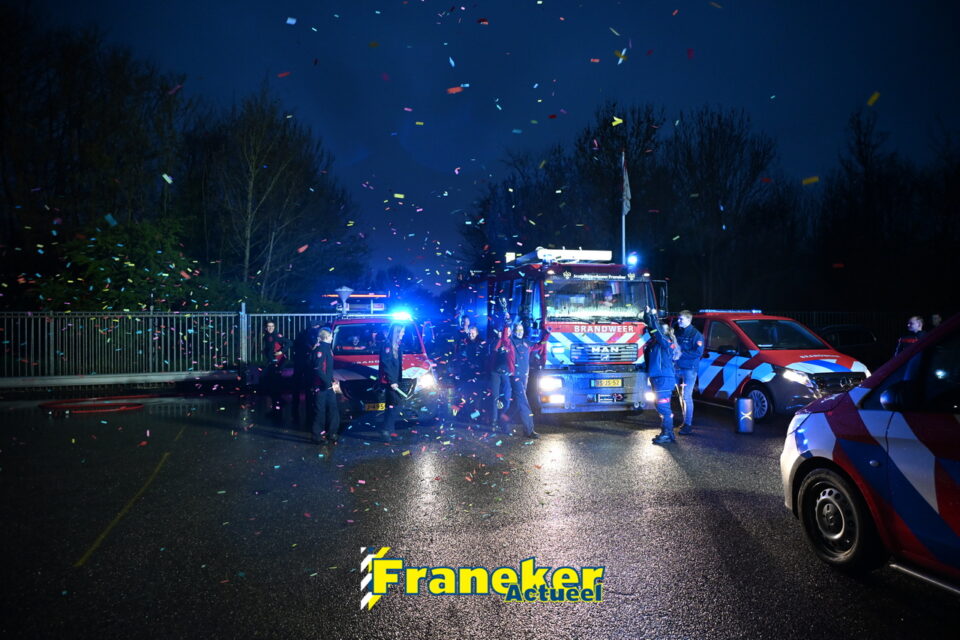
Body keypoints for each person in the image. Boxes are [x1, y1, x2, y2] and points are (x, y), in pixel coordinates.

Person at [644, 307, 681, 445]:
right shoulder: (658, 342)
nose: (658, 329)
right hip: (659, 378)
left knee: (663, 407)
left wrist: (653, 315)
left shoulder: (666, 342)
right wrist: (647, 316)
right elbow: (653, 330)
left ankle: (667, 434)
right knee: (660, 406)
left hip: (663, 379)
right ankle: (668, 433)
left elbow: (656, 330)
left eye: (661, 328)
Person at [673, 310, 704, 435]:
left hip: (689, 369)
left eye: (681, 319)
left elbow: (698, 352)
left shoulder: (696, 334)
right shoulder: (678, 331)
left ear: (688, 320)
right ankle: (685, 421)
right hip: (678, 368)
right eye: (678, 318)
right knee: (681, 396)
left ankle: (688, 424)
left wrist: (680, 355)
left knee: (686, 396)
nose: (678, 321)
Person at [508, 321, 539, 438]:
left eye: (521, 330)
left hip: (525, 376)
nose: (520, 332)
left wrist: (546, 334)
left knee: (518, 402)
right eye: (517, 330)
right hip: (515, 376)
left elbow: (539, 346)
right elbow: (505, 340)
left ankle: (503, 419)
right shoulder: (511, 342)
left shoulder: (526, 342)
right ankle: (529, 430)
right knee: (523, 402)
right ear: (514, 331)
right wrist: (506, 325)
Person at [311, 327, 341, 443]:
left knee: (333, 410)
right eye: (331, 336)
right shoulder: (321, 349)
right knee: (320, 412)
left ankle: (332, 433)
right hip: (321, 386)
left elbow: (327, 368)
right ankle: (317, 436)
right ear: (327, 337)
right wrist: (328, 383)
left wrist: (332, 380)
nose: (332, 338)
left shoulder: (326, 348)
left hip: (328, 385)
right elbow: (317, 368)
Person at [378, 324, 405, 440]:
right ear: (397, 332)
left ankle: (390, 430)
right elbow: (386, 364)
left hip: (394, 379)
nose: (403, 334)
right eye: (402, 331)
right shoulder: (387, 345)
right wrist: (392, 381)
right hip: (389, 381)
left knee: (392, 405)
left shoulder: (397, 345)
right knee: (396, 404)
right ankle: (385, 429)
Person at [455, 324, 487, 422]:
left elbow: (484, 357)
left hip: (478, 373)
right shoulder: (464, 342)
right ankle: (467, 415)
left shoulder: (482, 343)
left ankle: (476, 415)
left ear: (477, 333)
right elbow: (460, 355)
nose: (471, 335)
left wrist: (476, 366)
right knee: (466, 394)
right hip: (466, 373)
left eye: (473, 333)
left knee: (477, 395)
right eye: (469, 333)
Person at [488, 325, 516, 433]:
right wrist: (500, 339)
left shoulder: (510, 343)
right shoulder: (494, 342)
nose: (505, 334)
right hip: (495, 373)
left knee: (507, 398)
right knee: (495, 398)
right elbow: (493, 352)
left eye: (507, 332)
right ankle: (494, 422)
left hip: (506, 373)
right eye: (503, 332)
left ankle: (503, 420)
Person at [292, 323, 321, 421]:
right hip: (307, 364)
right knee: (308, 388)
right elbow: (312, 348)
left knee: (297, 388)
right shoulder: (312, 334)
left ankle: (295, 412)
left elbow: (295, 346)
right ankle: (309, 413)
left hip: (299, 362)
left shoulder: (302, 334)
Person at [260, 320, 289, 411]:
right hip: (272, 362)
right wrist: (265, 352)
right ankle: (277, 404)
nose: (270, 328)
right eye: (269, 326)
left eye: (272, 326)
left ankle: (278, 405)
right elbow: (270, 347)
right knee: (271, 382)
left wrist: (281, 351)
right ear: (265, 327)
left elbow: (289, 342)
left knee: (274, 383)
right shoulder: (266, 336)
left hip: (278, 362)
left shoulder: (276, 336)